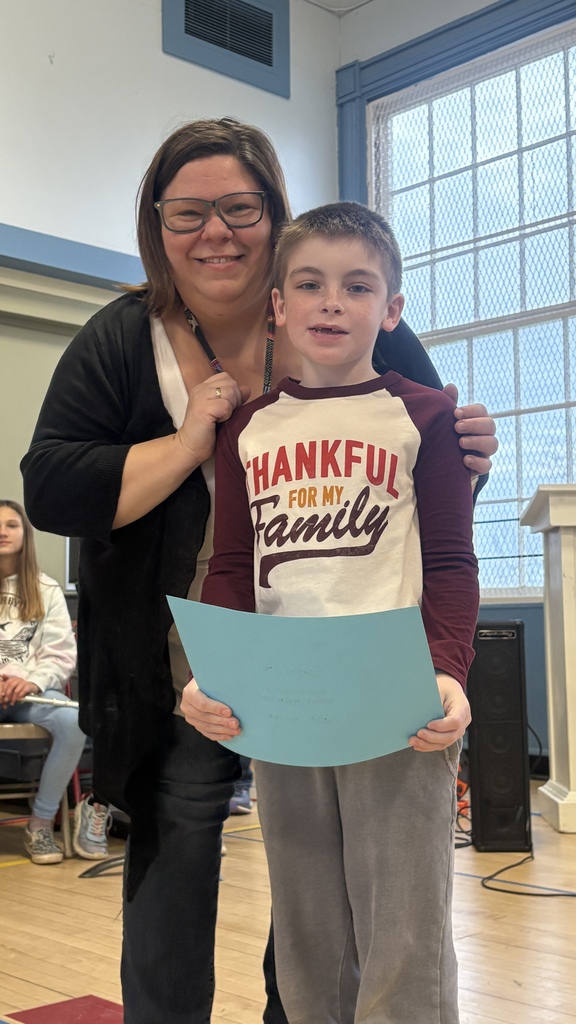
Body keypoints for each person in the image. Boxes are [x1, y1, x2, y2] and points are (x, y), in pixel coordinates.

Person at [20, 118, 496, 1024]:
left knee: (388, 916)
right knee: (225, 862)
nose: (215, 230)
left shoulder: (393, 369)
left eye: (239, 208)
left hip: (379, 681)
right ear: (156, 227)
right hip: (213, 662)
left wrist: (448, 659)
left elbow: (443, 517)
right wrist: (189, 443)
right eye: (187, 211)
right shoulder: (137, 348)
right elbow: (60, 489)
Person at [197, 201, 479, 1024]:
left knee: (405, 933)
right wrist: (214, 676)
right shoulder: (246, 429)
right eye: (310, 284)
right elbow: (230, 567)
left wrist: (448, 671)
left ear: (390, 310)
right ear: (277, 304)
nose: (331, 303)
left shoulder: (424, 414)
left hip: (397, 698)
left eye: (357, 287)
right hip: (282, 702)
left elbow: (454, 562)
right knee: (308, 933)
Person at [0, 499, 109, 864]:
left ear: (25, 534)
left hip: (30, 697)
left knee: (72, 722)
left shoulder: (45, 589)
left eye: (11, 525)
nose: (2, 531)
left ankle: (41, 824)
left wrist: (30, 682)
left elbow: (61, 655)